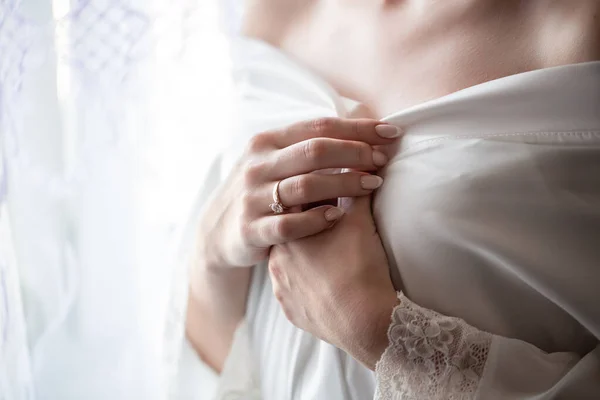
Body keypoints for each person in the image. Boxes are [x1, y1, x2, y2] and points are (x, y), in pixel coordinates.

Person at [186, 0, 600, 398]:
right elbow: (229, 364)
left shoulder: (583, 31)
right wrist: (213, 256)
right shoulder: (276, 10)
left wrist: (380, 335)